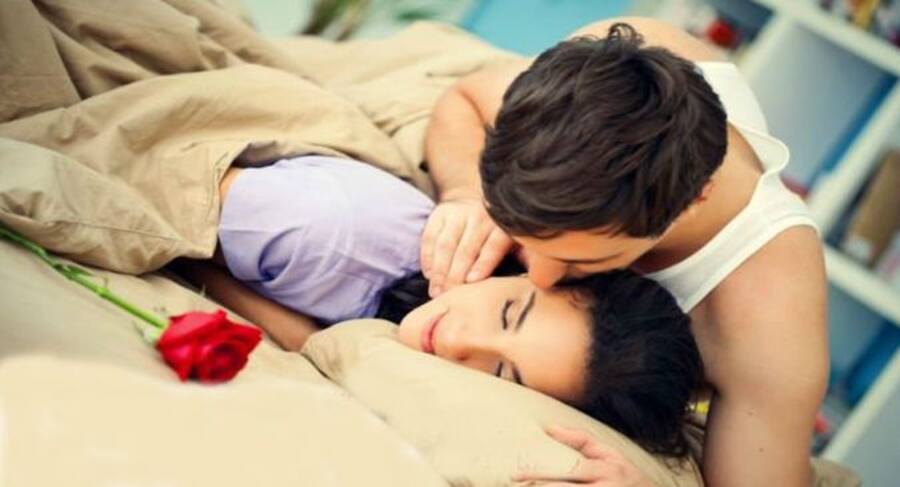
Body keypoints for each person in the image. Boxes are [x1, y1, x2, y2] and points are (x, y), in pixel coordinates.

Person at [420, 18, 828, 487]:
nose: (541, 277)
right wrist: (466, 194)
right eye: (525, 234)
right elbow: (466, 97)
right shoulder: (613, 69)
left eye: (581, 261)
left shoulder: (768, 321)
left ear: (693, 201)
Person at [175, 154, 703, 457]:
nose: (456, 341)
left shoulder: (390, 335)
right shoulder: (330, 234)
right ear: (529, 265)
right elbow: (178, 204)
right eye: (507, 313)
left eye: (501, 374)